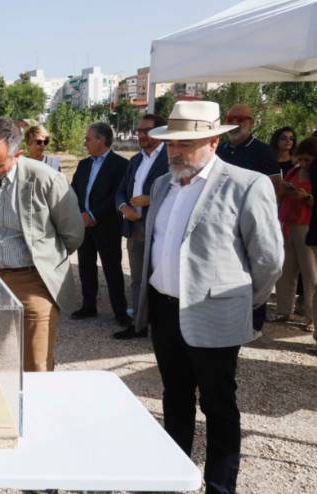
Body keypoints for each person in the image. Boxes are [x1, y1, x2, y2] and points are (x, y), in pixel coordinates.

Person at [135, 101, 283, 494]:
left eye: (187, 143)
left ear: (214, 141)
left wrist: (244, 303)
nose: (176, 152)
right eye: (170, 144)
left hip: (213, 313)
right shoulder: (161, 184)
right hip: (165, 312)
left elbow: (268, 258)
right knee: (174, 398)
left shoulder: (246, 184)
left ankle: (219, 486)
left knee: (218, 405)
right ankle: (175, 478)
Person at [0, 117, 84, 371]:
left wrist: (43, 259)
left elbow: (72, 233)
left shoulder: (47, 180)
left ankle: (36, 409)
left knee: (37, 363)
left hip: (34, 280)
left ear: (17, 155)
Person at [218, 103, 282, 334]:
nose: (235, 123)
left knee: (256, 269)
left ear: (251, 123)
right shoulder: (222, 150)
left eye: (240, 118)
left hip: (253, 221)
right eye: (230, 117)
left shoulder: (263, 151)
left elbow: (276, 187)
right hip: (225, 223)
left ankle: (254, 324)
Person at [113, 114, 169, 339]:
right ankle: (138, 324)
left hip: (160, 229)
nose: (141, 135)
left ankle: (162, 327)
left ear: (160, 132)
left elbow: (179, 190)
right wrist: (124, 208)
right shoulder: (136, 160)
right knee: (137, 278)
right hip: (135, 229)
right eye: (139, 131)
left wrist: (150, 199)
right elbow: (120, 191)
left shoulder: (170, 157)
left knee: (160, 279)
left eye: (146, 130)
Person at [70, 122, 130, 327]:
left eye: (88, 138)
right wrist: (81, 213)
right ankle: (89, 306)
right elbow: (74, 190)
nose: (85, 142)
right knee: (86, 266)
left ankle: (120, 311)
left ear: (101, 140)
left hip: (107, 225)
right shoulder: (83, 164)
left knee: (112, 268)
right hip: (84, 224)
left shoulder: (120, 164)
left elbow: (117, 195)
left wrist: (93, 214)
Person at [275, 137, 317, 330]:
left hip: (307, 225)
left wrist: (306, 197)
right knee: (286, 270)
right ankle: (284, 310)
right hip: (288, 223)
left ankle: (311, 317)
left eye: (308, 160)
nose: (303, 163)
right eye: (301, 159)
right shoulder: (293, 171)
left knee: (310, 274)